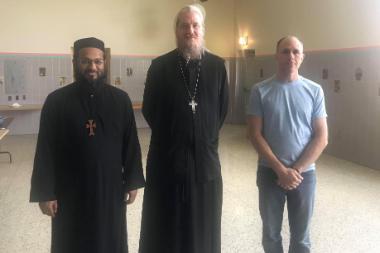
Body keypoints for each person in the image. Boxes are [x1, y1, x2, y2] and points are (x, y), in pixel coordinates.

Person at [30, 37, 145, 253]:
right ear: (75, 62)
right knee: (71, 241)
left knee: (110, 239)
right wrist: (45, 192)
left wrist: (132, 180)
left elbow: (131, 144)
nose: (92, 67)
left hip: (109, 189)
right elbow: (45, 150)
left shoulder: (120, 100)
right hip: (70, 191)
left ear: (104, 63)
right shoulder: (56, 102)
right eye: (85, 61)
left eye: (98, 62)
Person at [138, 4, 229, 253]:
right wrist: (179, 132)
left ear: (203, 29)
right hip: (167, 162)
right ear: (176, 30)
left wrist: (199, 133)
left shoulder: (218, 67)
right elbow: (150, 110)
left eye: (195, 25)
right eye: (184, 25)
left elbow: (220, 113)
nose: (190, 30)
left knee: (203, 231)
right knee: (166, 229)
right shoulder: (159, 67)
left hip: (205, 165)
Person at [247, 36, 328, 253]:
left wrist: (295, 171)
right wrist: (280, 170)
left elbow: (321, 137)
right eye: (285, 51)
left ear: (302, 57)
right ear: (276, 55)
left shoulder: (315, 91)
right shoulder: (260, 90)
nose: (290, 56)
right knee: (271, 234)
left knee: (301, 237)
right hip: (269, 173)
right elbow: (254, 134)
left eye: (295, 51)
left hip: (305, 175)